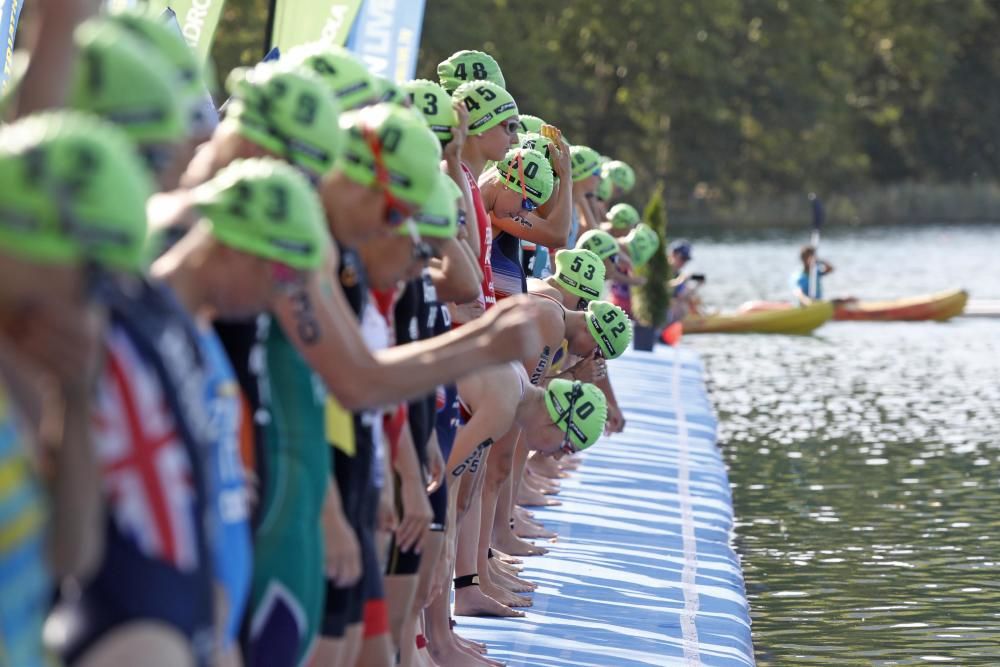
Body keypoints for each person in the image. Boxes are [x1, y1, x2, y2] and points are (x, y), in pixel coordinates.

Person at [150, 158, 332, 667]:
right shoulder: (148, 331)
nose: (280, 295)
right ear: (229, 246)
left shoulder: (201, 333)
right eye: (278, 274)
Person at [0, 111, 144, 667]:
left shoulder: (25, 373)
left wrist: (78, 401)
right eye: (96, 276)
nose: (95, 304)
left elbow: (70, 556)